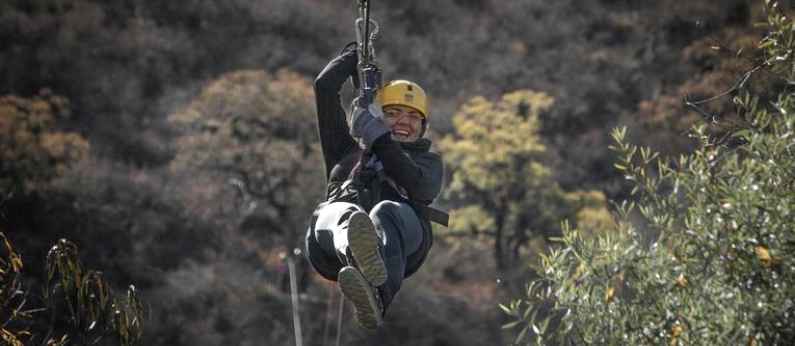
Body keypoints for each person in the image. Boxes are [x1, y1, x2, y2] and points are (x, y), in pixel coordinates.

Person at [304, 43, 445, 329]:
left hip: (399, 246)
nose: (403, 122)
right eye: (393, 113)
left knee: (386, 210)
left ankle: (377, 294)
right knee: (341, 211)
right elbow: (325, 88)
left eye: (413, 117)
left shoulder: (427, 162)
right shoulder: (346, 152)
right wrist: (355, 57)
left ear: (423, 126)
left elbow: (419, 188)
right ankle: (356, 253)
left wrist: (378, 137)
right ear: (379, 115)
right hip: (332, 249)